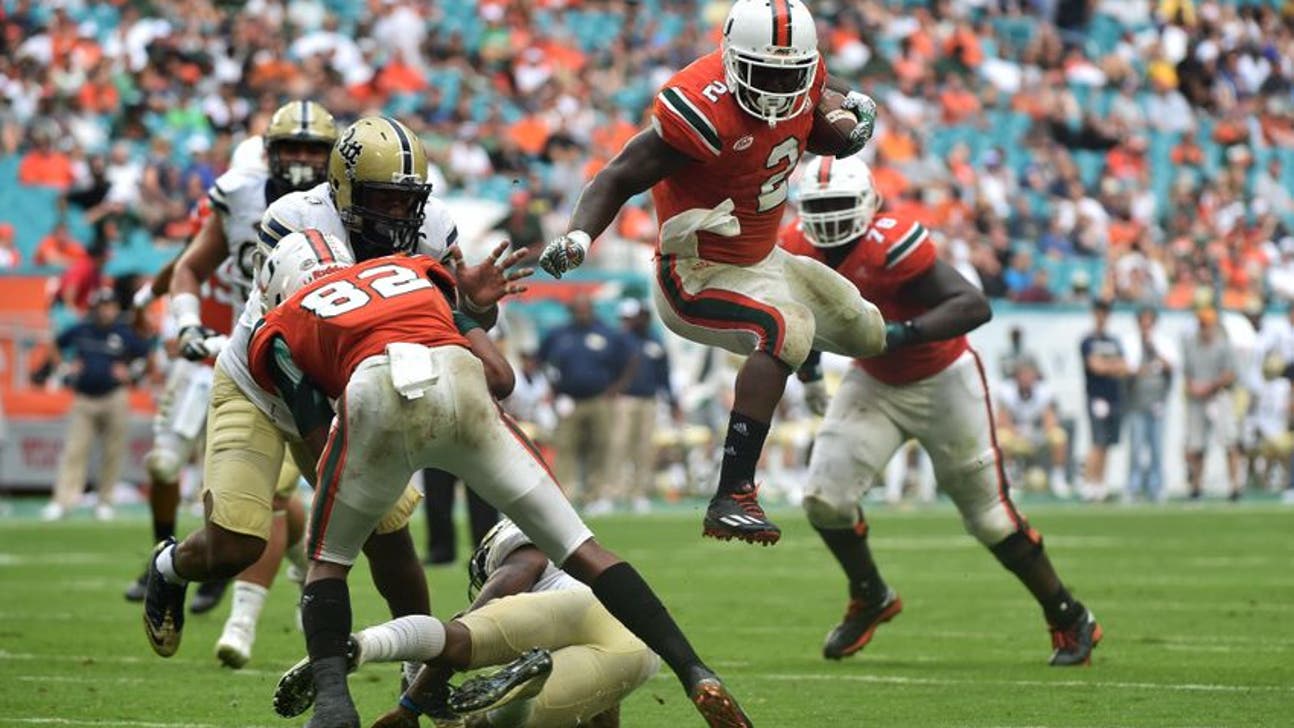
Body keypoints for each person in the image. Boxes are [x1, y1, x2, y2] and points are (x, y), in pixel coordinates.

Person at [247, 233, 749, 727]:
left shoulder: (278, 324)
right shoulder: (412, 269)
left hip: (374, 392)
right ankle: (694, 669)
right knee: (585, 549)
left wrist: (367, 476)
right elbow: (503, 379)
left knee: (328, 565)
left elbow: (315, 430)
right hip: (460, 375)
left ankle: (334, 706)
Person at [537, 0, 884, 544]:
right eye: (764, 71)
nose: (776, 86)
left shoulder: (804, 73)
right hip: (696, 271)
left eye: (789, 73)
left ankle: (809, 365)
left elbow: (817, 84)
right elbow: (618, 175)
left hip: (764, 259)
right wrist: (579, 236)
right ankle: (733, 494)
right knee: (787, 326)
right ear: (730, 58)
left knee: (868, 329)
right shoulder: (700, 107)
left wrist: (851, 107)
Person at [141, 116, 480, 671]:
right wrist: (338, 452)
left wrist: (475, 315)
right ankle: (171, 566)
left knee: (389, 534)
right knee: (236, 545)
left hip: (349, 379)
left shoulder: (434, 228)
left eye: (406, 201)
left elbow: (452, 314)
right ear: (344, 190)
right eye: (381, 200)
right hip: (265, 380)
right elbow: (290, 352)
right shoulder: (294, 223)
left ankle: (424, 674)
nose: (397, 215)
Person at [780, 154, 1100, 667]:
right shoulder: (796, 247)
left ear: (870, 203)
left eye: (841, 204)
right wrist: (812, 370)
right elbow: (805, 315)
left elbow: (972, 304)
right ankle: (871, 596)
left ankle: (1069, 616)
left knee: (991, 520)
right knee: (825, 500)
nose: (831, 218)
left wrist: (899, 335)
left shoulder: (893, 245)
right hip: (875, 382)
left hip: (942, 379)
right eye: (820, 207)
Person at [133, 101, 338, 667]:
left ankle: (408, 662)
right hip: (245, 364)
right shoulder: (240, 194)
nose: (300, 161)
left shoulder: (350, 203)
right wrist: (181, 321)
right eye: (290, 149)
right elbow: (188, 264)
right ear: (267, 154)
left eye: (312, 150)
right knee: (249, 502)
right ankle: (238, 610)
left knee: (375, 518)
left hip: (320, 367)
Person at [278, 517, 660, 728]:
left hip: (582, 609)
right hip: (639, 651)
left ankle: (362, 645)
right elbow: (604, 706)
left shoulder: (524, 554)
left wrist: (410, 706)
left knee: (459, 634)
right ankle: (524, 687)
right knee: (489, 726)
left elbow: (476, 620)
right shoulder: (575, 560)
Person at [122, 201, 239, 617]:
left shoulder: (276, 235)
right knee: (163, 466)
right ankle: (162, 554)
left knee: (227, 484)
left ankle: (222, 567)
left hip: (243, 370)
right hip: (195, 369)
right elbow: (181, 265)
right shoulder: (212, 229)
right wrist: (141, 300)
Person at [41, 289, 152, 522]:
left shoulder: (124, 333)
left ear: (115, 308)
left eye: (109, 305)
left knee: (113, 451)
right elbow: (54, 344)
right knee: (74, 450)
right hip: (84, 398)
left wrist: (132, 374)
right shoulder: (82, 329)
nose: (105, 310)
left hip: (114, 396)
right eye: (101, 306)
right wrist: (64, 369)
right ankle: (63, 501)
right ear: (94, 308)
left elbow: (148, 355)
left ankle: (106, 501)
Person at [538, 294, 636, 508]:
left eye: (585, 309)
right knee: (565, 445)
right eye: (578, 310)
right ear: (571, 312)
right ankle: (566, 494)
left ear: (592, 310)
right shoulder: (559, 334)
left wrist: (616, 387)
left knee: (600, 446)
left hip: (599, 399)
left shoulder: (607, 334)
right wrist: (552, 388)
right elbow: (541, 360)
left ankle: (596, 494)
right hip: (568, 400)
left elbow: (630, 360)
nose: (582, 314)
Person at [611, 298, 680, 513]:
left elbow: (664, 374)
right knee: (619, 445)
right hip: (624, 399)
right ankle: (615, 491)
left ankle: (639, 493)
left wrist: (671, 399)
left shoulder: (655, 340)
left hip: (649, 399)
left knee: (644, 448)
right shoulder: (621, 340)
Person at [1182, 304, 1242, 500]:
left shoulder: (1223, 345)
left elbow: (1230, 374)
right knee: (1196, 445)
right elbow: (1187, 373)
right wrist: (1193, 388)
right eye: (1201, 324)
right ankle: (1196, 486)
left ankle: (1234, 486)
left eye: (1206, 324)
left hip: (1219, 397)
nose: (1204, 328)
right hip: (1198, 400)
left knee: (1229, 442)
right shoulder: (1191, 345)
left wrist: (1209, 386)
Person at [996, 359, 1072, 499]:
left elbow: (1050, 420)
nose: (1026, 379)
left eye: (1029, 375)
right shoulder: (1007, 391)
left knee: (1058, 436)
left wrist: (1038, 435)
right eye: (1023, 375)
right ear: (1016, 376)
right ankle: (1009, 480)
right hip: (1017, 436)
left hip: (1038, 435)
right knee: (1002, 438)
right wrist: (1020, 436)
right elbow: (1003, 421)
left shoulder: (1044, 391)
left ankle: (1058, 478)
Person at [1079, 299, 1128, 502]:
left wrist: (1107, 365)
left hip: (1114, 396)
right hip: (1097, 397)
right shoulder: (1088, 341)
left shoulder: (1114, 341)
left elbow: (1124, 367)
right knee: (1097, 441)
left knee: (1107, 443)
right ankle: (1089, 483)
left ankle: (1101, 483)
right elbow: (1094, 367)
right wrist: (1111, 366)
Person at [1125, 306, 1173, 502]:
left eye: (1149, 321)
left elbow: (1171, 365)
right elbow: (1129, 369)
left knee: (1157, 448)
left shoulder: (1163, 342)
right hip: (1136, 403)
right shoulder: (1129, 341)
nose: (1146, 325)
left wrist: (1153, 347)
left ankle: (1156, 487)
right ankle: (1133, 487)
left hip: (1158, 403)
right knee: (1135, 448)